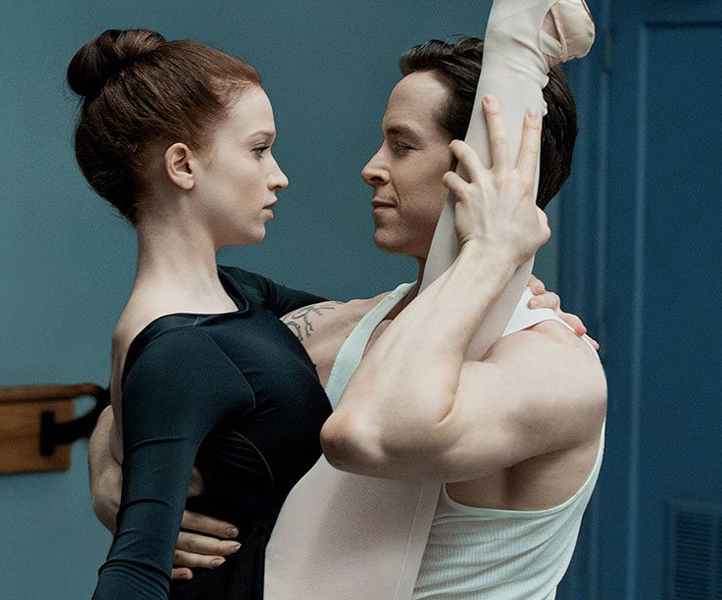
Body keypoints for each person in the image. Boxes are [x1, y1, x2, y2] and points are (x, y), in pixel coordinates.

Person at [90, 8, 602, 600]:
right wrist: (117, 479)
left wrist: (488, 257)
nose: (371, 168)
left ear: (481, 174)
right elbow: (167, 363)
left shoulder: (554, 368)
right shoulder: (344, 327)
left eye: (401, 146)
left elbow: (371, 431)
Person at [69, 29, 339, 599]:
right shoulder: (179, 347)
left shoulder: (238, 293)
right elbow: (134, 572)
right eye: (259, 149)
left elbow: (364, 317)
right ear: (183, 165)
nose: (279, 175)